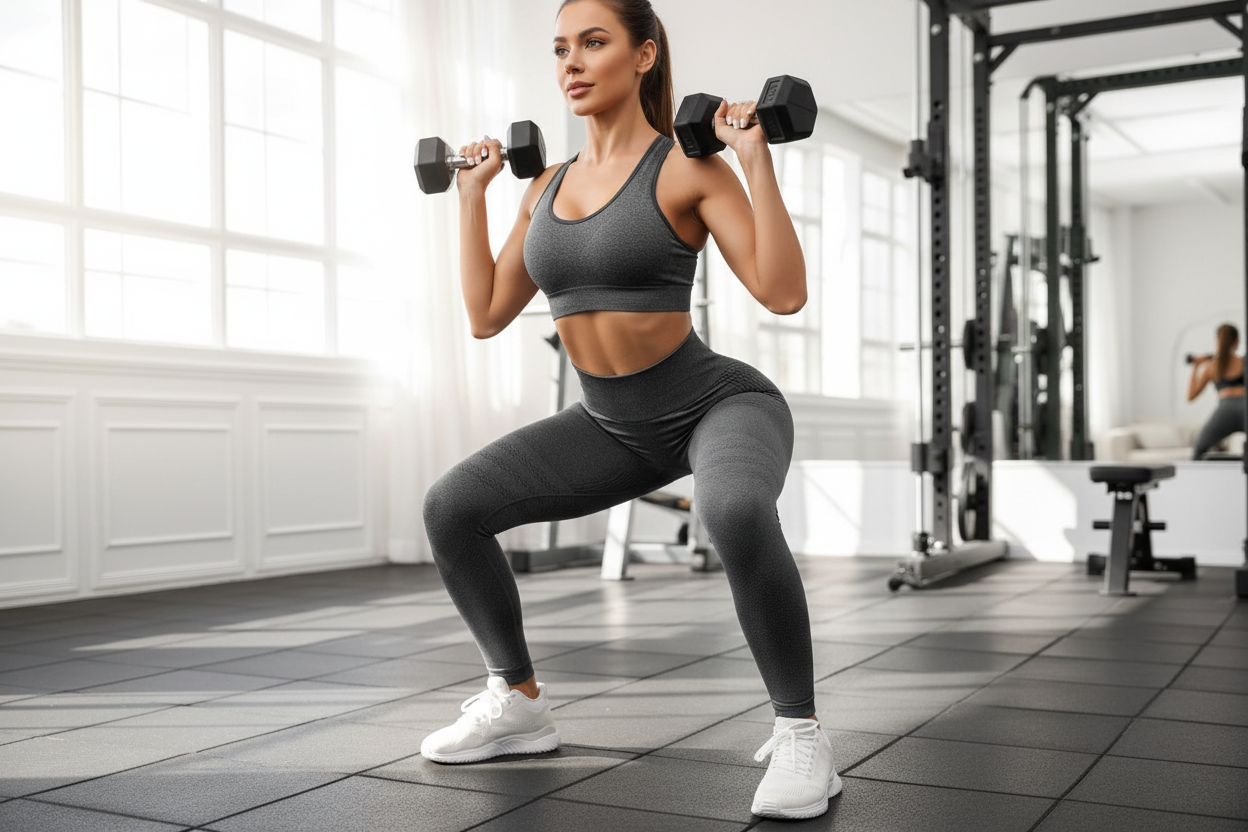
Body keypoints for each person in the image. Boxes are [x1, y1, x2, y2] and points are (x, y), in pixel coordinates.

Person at [418, 0, 838, 820]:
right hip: (608, 426)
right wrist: (470, 198)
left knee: (733, 507)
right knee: (451, 507)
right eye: (561, 48)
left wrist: (756, 159)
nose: (571, 62)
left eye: (594, 42)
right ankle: (519, 700)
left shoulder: (687, 167)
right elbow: (486, 314)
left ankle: (801, 733)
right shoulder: (543, 186)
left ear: (644, 56)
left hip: (716, 404)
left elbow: (783, 292)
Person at [1188, 323, 1246, 460]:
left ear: (1217, 340)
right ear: (1237, 341)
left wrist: (1196, 366)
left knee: (1198, 450)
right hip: (1245, 406)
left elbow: (1191, 396)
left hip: (1225, 409)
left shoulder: (1211, 366)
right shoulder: (1243, 362)